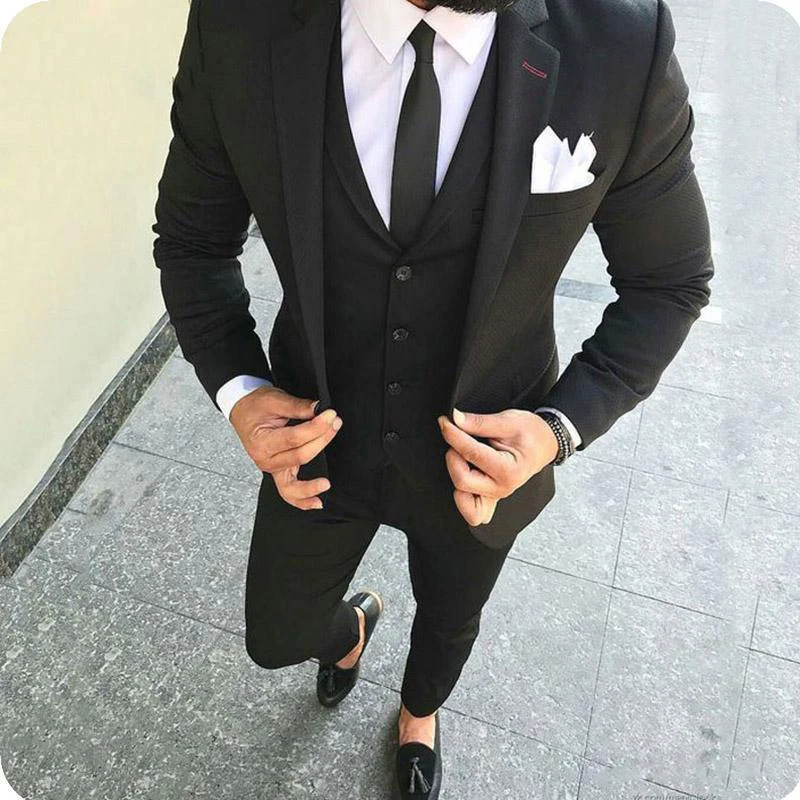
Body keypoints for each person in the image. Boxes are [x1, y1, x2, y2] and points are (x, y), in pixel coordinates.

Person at [152, 0, 714, 795]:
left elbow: (669, 281)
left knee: (450, 622)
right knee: (276, 636)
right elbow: (191, 242)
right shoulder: (240, 21)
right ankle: (350, 631)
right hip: (320, 441)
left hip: (483, 463)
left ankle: (420, 712)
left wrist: (559, 428)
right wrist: (239, 389)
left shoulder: (621, 38)